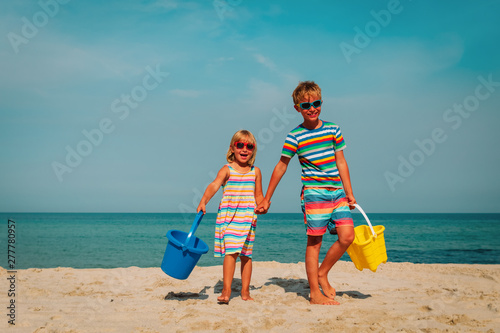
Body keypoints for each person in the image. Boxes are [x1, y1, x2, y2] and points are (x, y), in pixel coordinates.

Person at [256, 81, 356, 305]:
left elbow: (341, 161)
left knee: (348, 236)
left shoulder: (333, 129)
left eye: (316, 103)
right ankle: (314, 293)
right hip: (314, 195)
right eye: (306, 105)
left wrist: (349, 192)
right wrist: (266, 198)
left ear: (321, 103)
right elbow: (281, 166)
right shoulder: (295, 136)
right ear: (297, 108)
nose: (312, 108)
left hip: (338, 193)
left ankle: (322, 273)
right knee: (314, 243)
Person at [197, 130, 264, 304]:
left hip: (248, 218)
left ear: (253, 150)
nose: (244, 149)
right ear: (232, 148)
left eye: (249, 146)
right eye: (240, 145)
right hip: (229, 218)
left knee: (246, 255)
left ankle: (245, 291)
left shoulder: (255, 171)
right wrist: (204, 200)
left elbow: (258, 196)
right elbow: (214, 185)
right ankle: (226, 290)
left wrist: (263, 205)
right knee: (231, 252)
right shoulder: (226, 170)